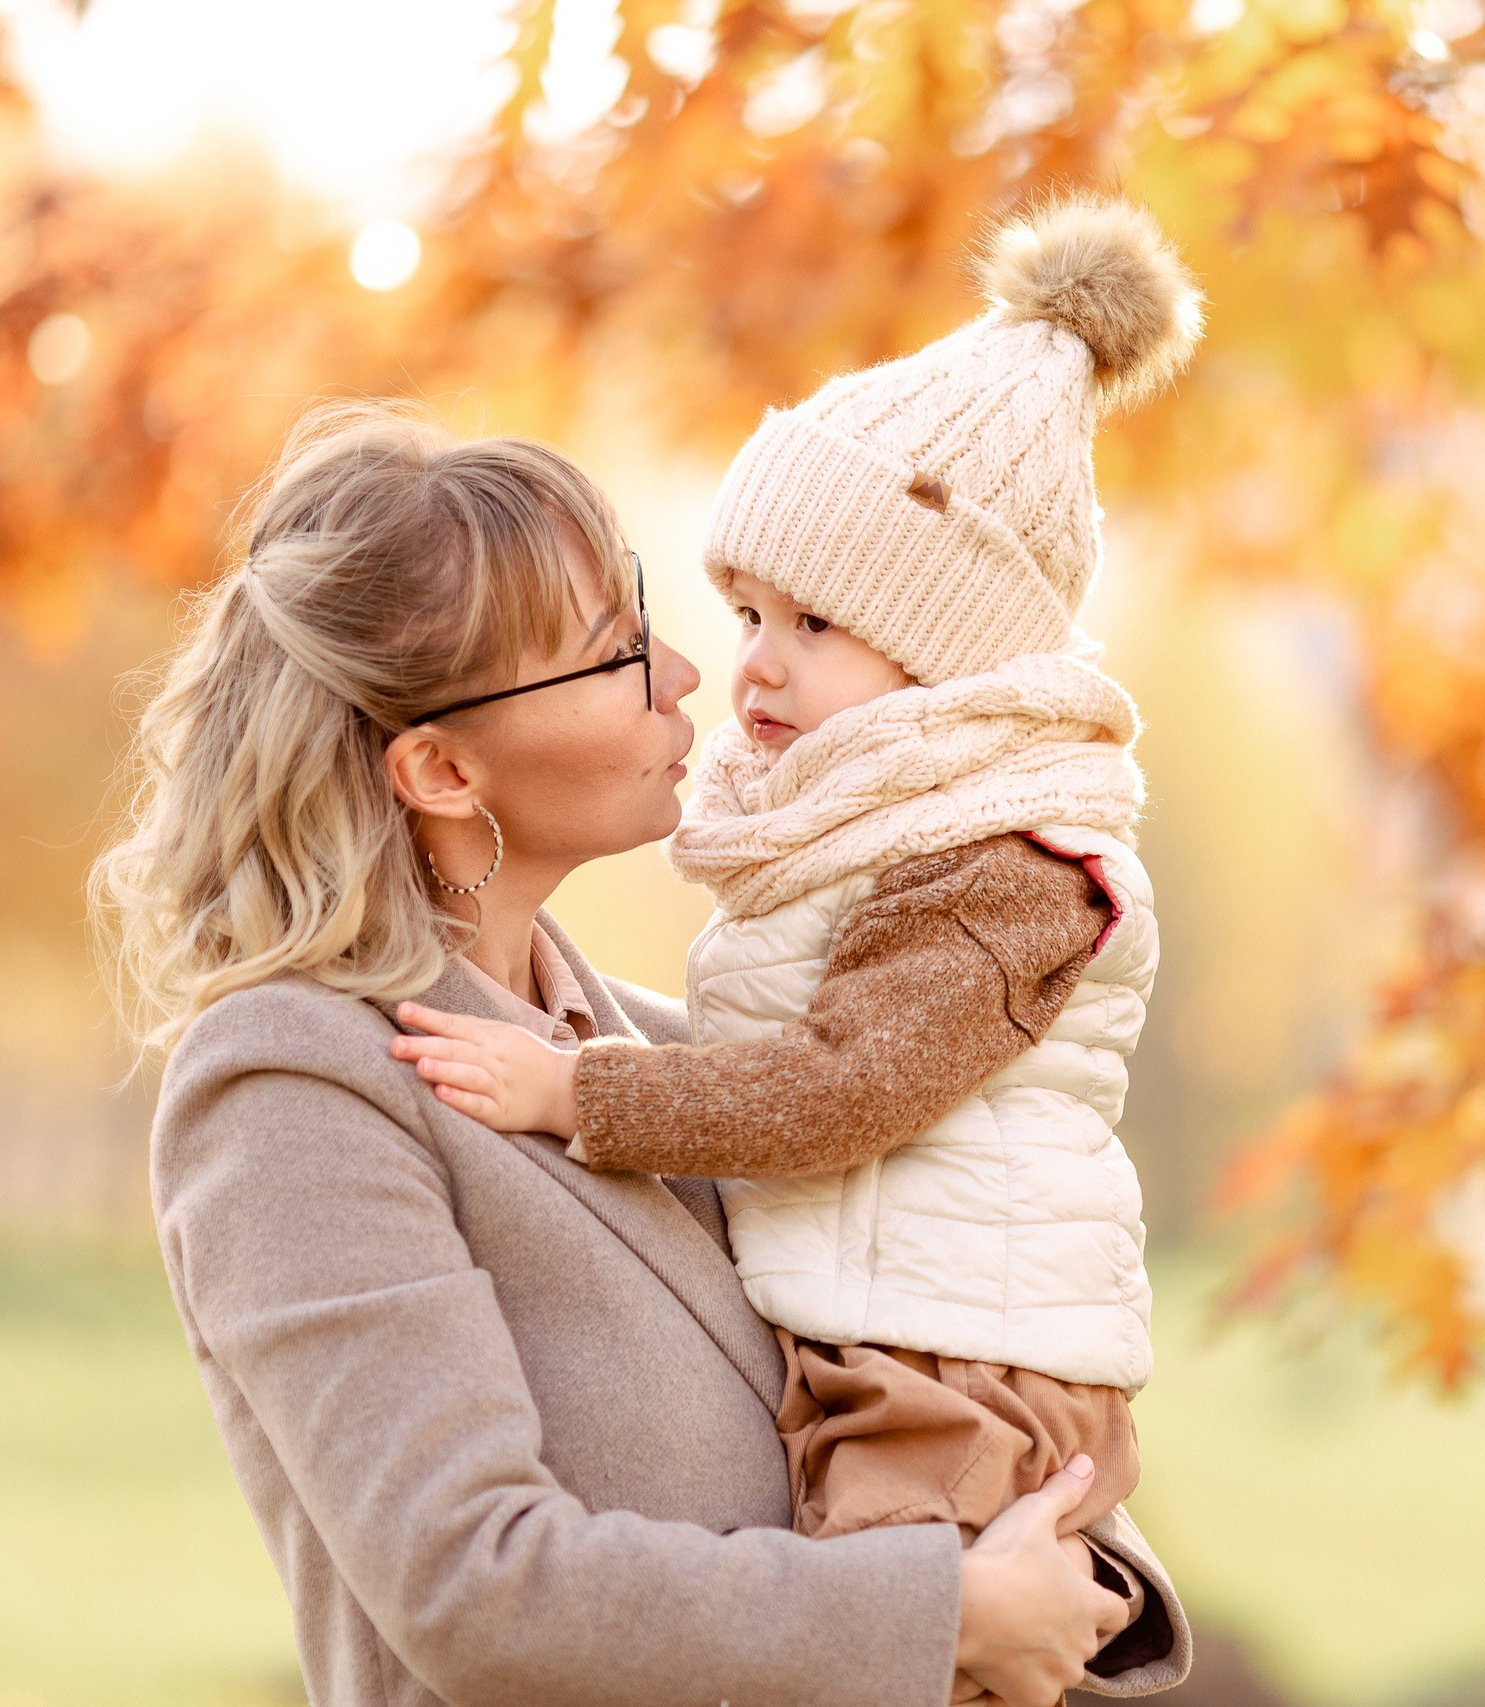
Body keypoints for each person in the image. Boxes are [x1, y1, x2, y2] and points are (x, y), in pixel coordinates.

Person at [89, 398, 1190, 1707]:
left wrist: (1069, 1565)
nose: (686, 676)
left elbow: (945, 1347)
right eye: (612, 653)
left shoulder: (687, 1067)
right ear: (442, 771)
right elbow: (480, 1592)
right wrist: (943, 1610)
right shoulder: (293, 1084)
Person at [387, 197, 1194, 1602]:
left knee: (892, 1639)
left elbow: (843, 1086)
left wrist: (578, 1091)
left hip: (962, 1370)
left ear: (946, 655)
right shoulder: (880, 833)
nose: (751, 665)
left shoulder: (1001, 871)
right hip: (896, 1339)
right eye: (750, 612)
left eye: (813, 625)